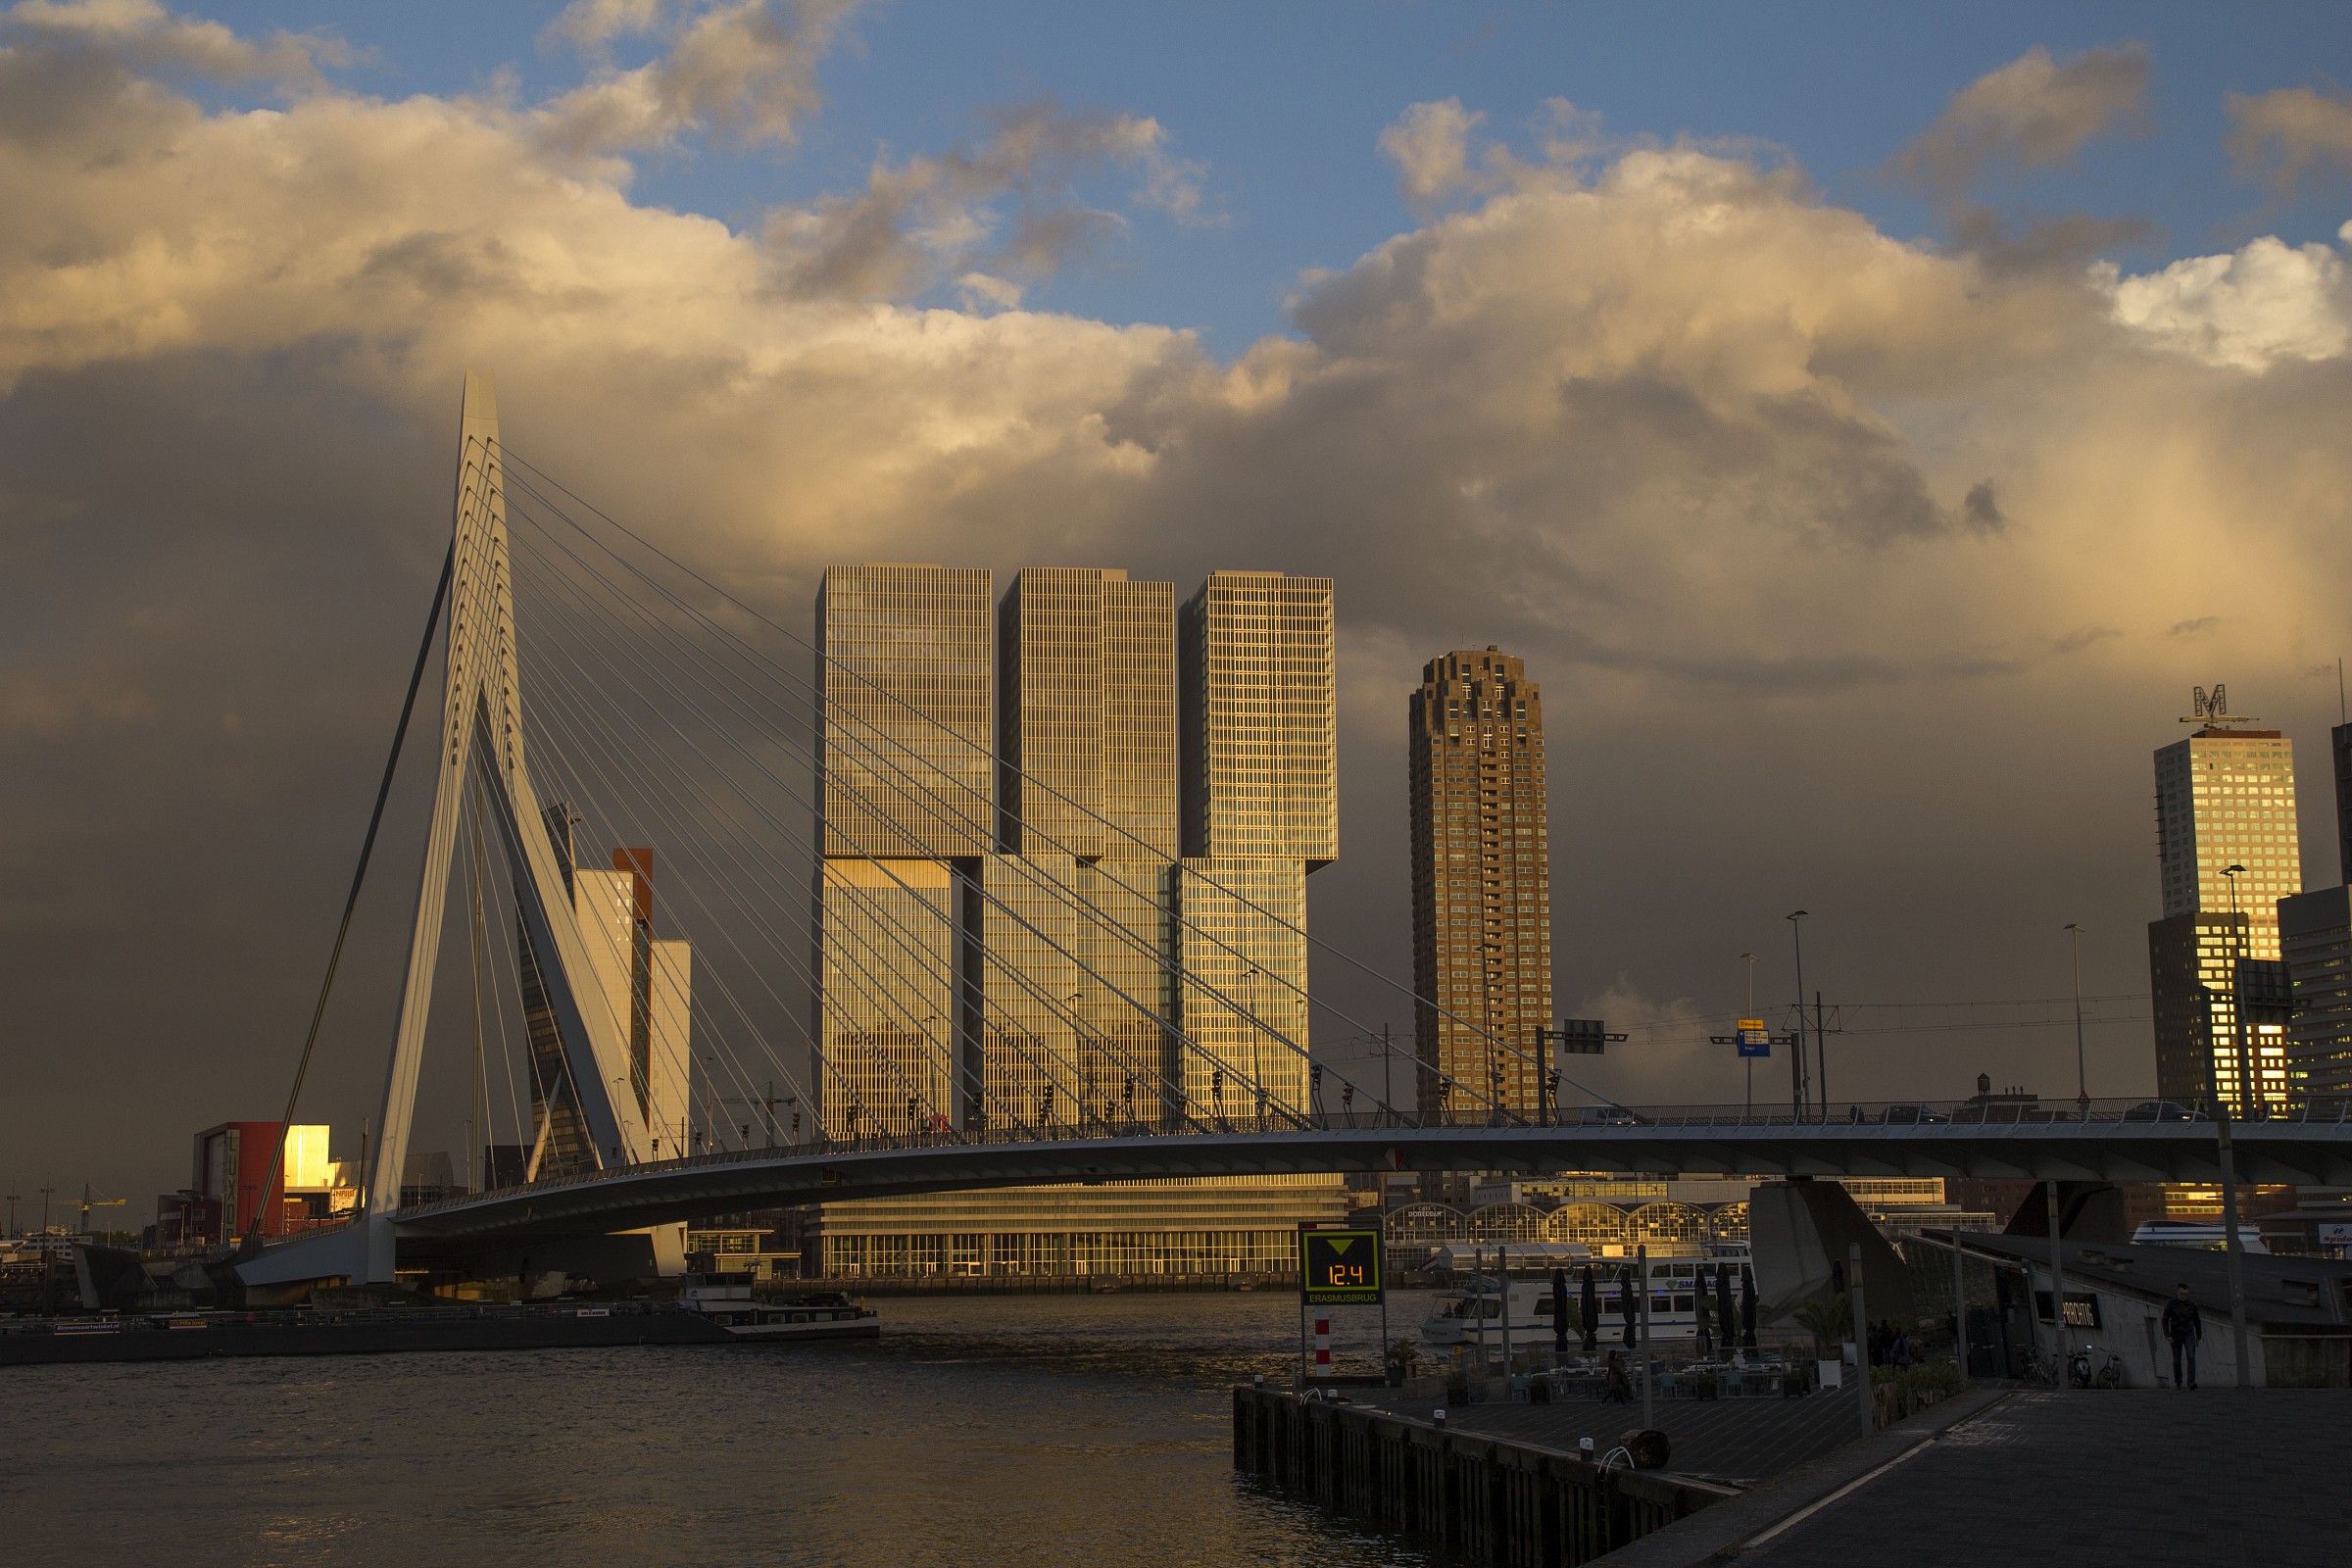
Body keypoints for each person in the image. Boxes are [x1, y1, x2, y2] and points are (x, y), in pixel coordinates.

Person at [2161, 1283, 2202, 1390]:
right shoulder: (2171, 1304)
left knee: (2191, 1357)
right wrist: (2167, 1335)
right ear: (2177, 1292)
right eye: (2181, 1293)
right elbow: (2165, 1320)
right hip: (2175, 1334)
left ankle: (2191, 1382)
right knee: (2176, 1360)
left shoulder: (2192, 1304)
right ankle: (2178, 1381)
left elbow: (2197, 1321)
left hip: (2188, 1333)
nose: (2183, 1296)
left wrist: (2199, 1336)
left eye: (2185, 1294)